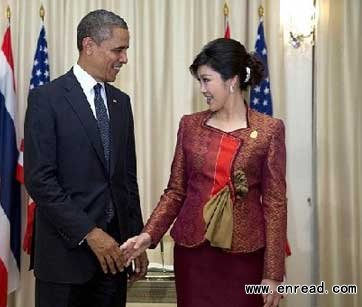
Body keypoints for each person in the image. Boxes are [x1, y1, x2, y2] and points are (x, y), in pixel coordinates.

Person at [121, 38, 287, 307]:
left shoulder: (269, 130)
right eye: (200, 81)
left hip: (244, 257)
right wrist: (147, 235)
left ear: (231, 81)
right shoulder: (190, 125)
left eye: (206, 80)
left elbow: (275, 204)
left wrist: (272, 273)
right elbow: (175, 191)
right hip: (193, 255)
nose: (202, 89)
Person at [24, 9, 148, 307]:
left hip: (115, 260)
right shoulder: (46, 99)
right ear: (89, 45)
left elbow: (126, 180)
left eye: (126, 50)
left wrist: (137, 238)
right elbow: (40, 180)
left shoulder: (121, 103)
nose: (124, 59)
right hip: (64, 259)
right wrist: (89, 233)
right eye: (118, 50)